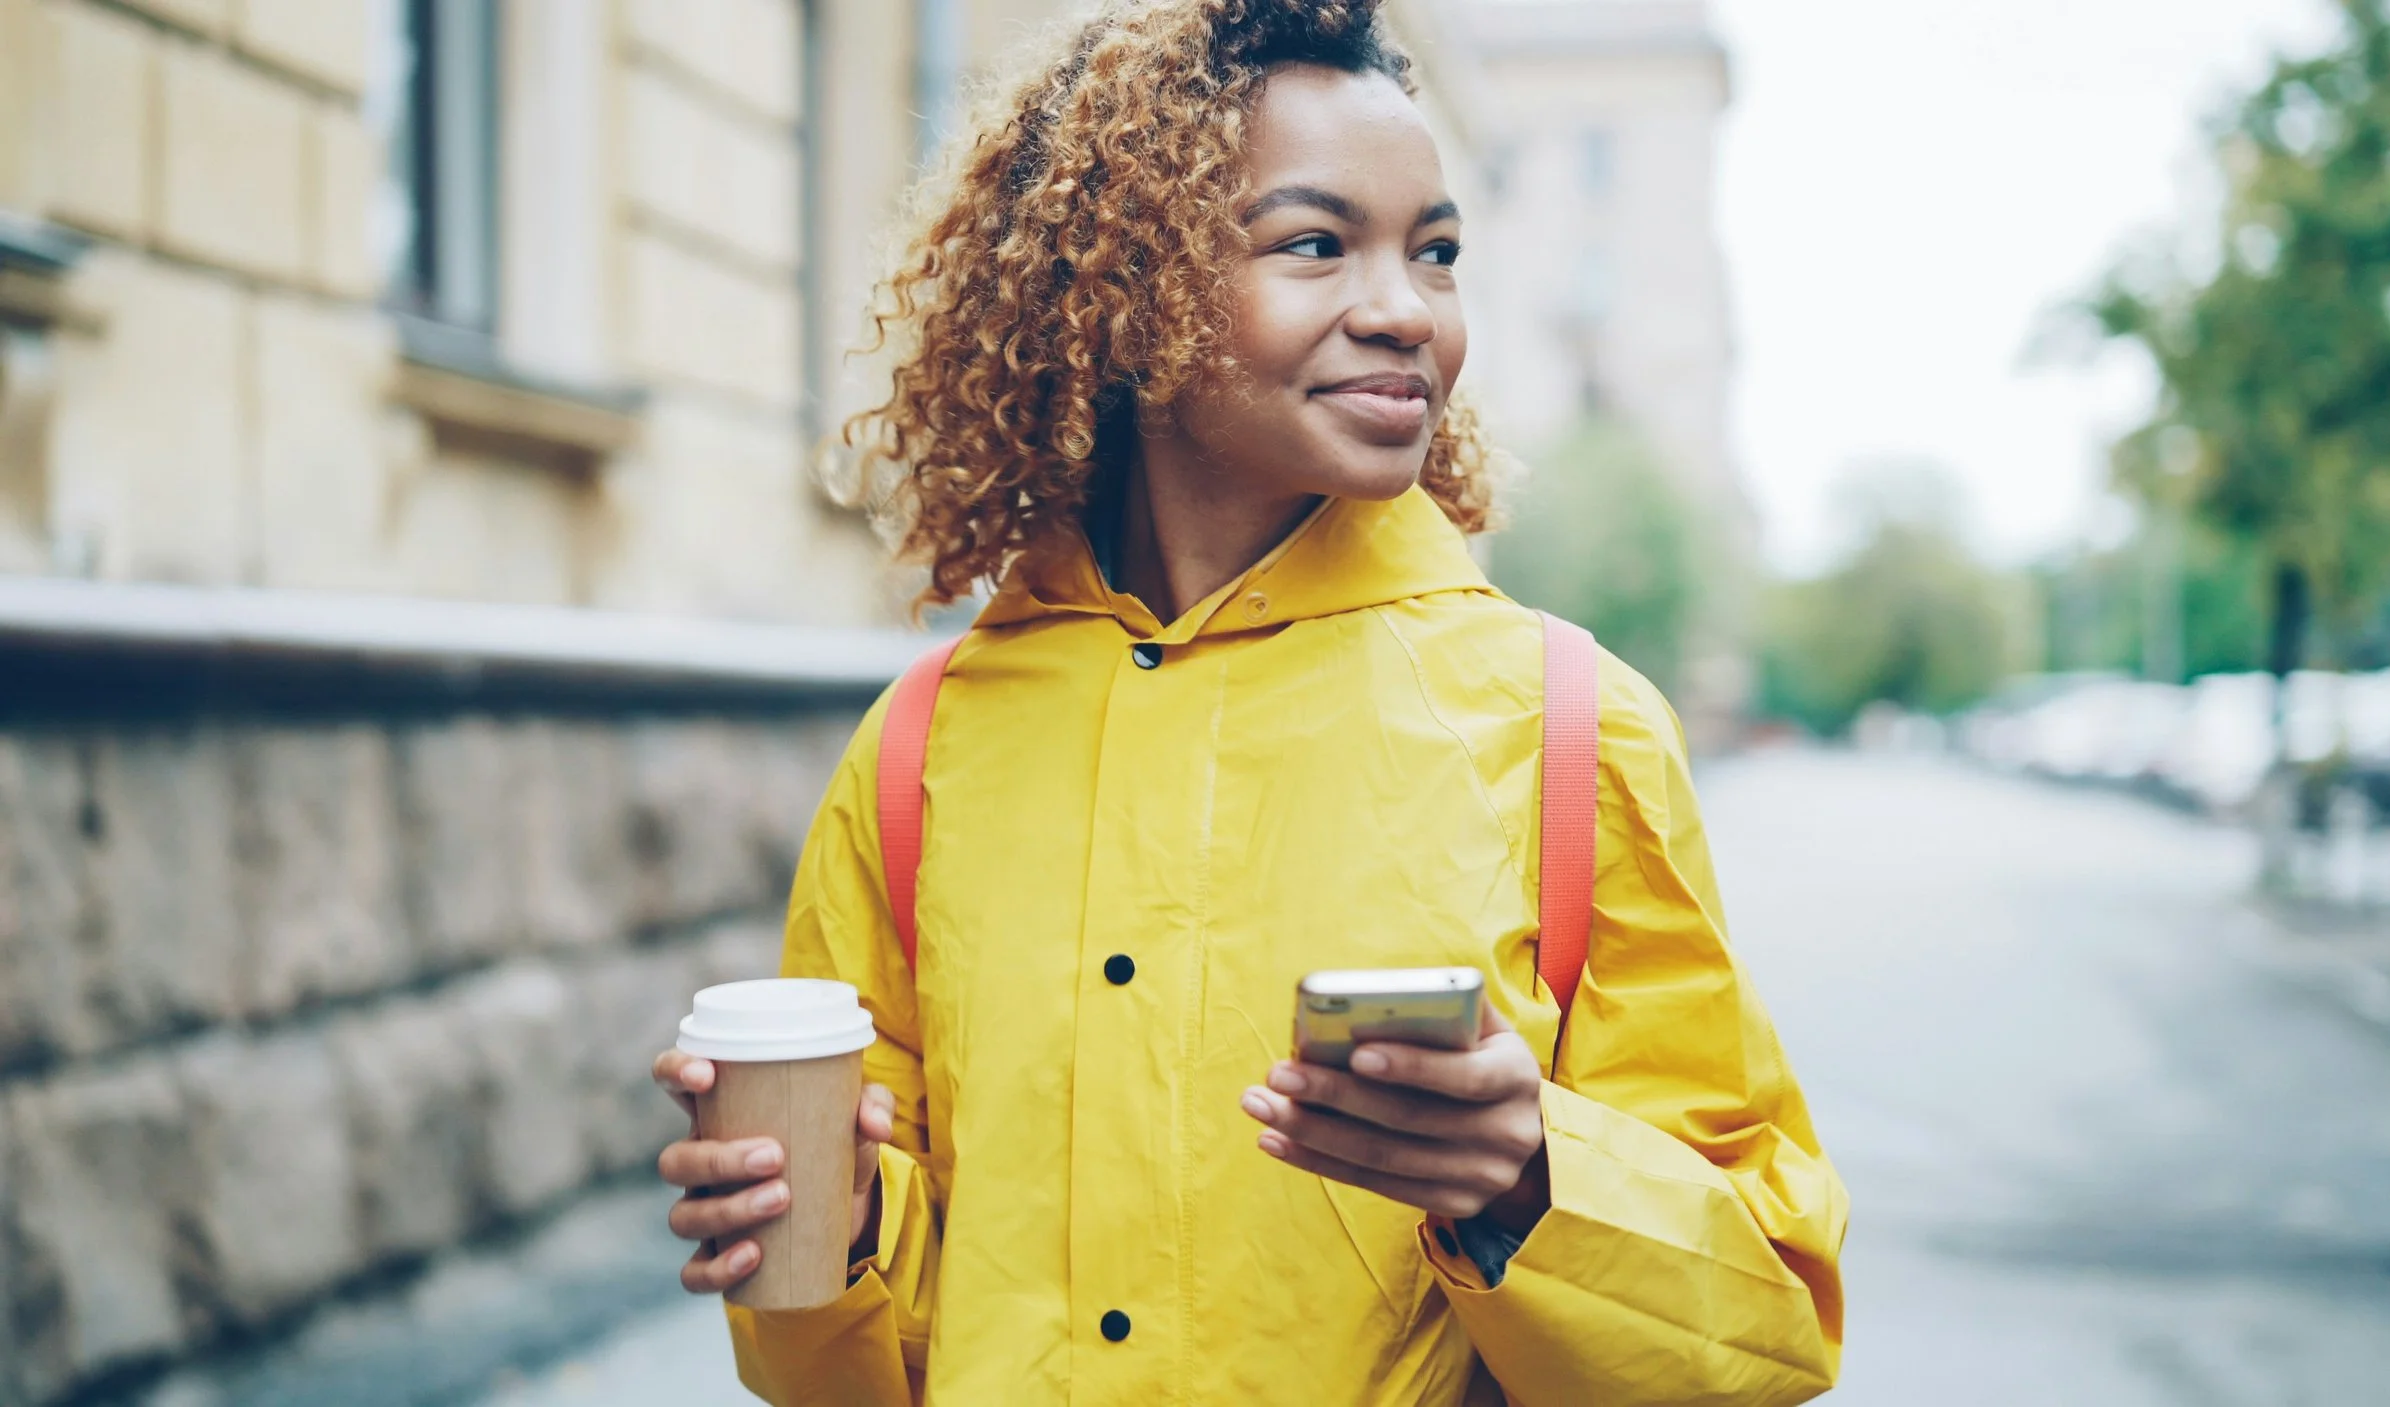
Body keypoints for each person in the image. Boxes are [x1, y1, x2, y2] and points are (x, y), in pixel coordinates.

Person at [651, 2, 1846, 1402]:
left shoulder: (1568, 725)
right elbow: (860, 1368)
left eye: (1436, 251)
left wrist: (1530, 1179)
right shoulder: (924, 748)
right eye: (1317, 242)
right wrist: (838, 1232)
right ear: (1129, 289)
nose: (1406, 306)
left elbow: (1768, 1329)